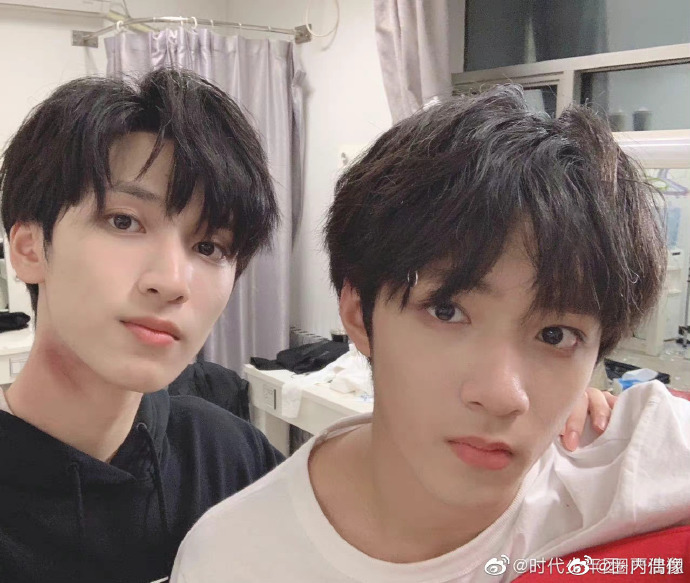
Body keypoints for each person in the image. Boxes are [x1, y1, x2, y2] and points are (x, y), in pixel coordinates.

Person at [170, 85, 690, 583]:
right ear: (358, 312)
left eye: (555, 335)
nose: (502, 395)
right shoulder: (234, 560)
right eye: (447, 311)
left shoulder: (637, 459)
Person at [0, 69, 285, 583]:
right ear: (29, 248)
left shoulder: (227, 456)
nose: (172, 282)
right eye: (124, 221)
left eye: (209, 247)